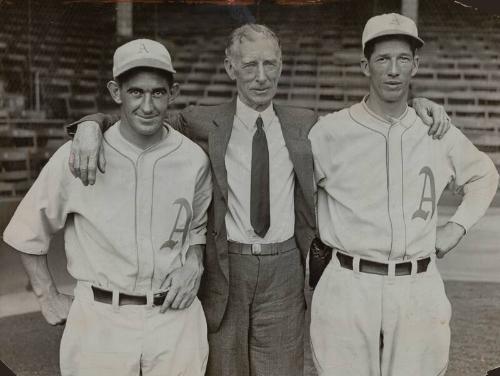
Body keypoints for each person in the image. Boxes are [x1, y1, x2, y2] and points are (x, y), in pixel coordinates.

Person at [66, 24, 450, 376]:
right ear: (230, 68)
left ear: (281, 66)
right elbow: (140, 117)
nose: (261, 76)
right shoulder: (201, 120)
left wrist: (419, 104)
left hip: (283, 266)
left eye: (270, 64)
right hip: (226, 267)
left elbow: (371, 117)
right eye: (250, 65)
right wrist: (89, 124)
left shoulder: (307, 122)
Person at [3, 39, 212, 376]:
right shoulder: (77, 155)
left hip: (174, 318)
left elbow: (196, 227)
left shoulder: (193, 159)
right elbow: (27, 231)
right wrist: (47, 296)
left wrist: (194, 259)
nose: (147, 106)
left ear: (172, 93)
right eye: (136, 93)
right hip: (100, 319)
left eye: (158, 93)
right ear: (116, 92)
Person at [308, 13, 499, 376]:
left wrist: (456, 227)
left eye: (403, 59)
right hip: (350, 281)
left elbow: (484, 175)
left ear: (416, 65)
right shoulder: (330, 131)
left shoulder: (435, 130)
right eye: (382, 59)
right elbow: (299, 195)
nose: (393, 70)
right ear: (365, 65)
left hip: (417, 284)